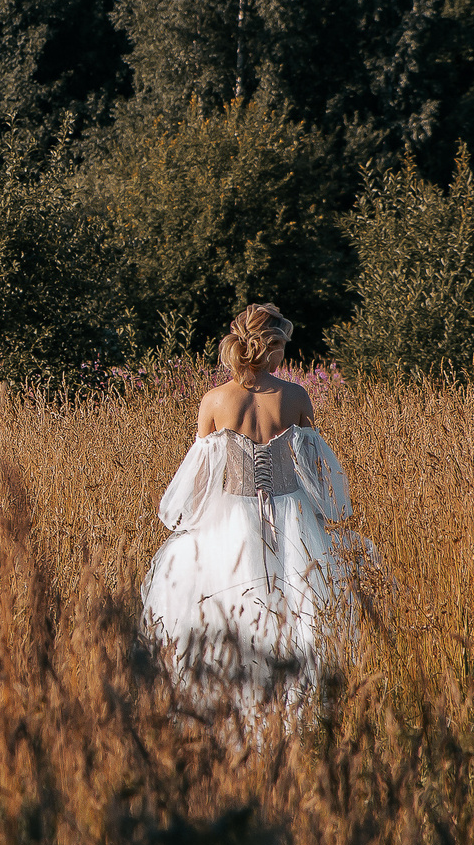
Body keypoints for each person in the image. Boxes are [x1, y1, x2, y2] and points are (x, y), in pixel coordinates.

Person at [140, 303, 370, 714]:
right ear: (269, 347)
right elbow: (315, 468)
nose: (284, 354)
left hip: (231, 515)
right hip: (292, 516)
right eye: (282, 345)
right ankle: (296, 702)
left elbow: (201, 476)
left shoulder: (214, 400)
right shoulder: (296, 396)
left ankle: (237, 701)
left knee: (233, 610)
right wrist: (322, 515)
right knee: (297, 608)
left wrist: (192, 526)